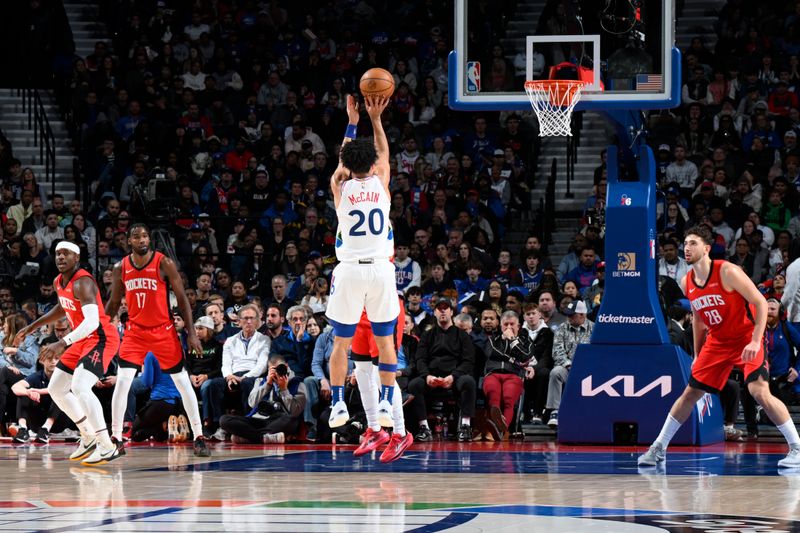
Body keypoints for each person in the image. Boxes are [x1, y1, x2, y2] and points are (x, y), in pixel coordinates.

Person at [639, 226, 800, 468]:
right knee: (690, 394)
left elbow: (760, 303)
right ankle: (658, 447)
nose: (687, 247)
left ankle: (796, 447)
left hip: (746, 336)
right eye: (686, 243)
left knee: (759, 391)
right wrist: (697, 353)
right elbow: (700, 319)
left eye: (693, 243)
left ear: (706, 248)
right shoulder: (687, 281)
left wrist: (756, 341)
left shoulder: (727, 271)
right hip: (718, 342)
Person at [326, 95, 400, 432]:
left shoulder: (339, 185)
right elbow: (383, 152)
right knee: (386, 342)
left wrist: (352, 120)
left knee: (340, 343)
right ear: (372, 164)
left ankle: (338, 401)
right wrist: (376, 118)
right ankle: (386, 400)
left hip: (350, 269)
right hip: (381, 269)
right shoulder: (381, 180)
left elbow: (344, 160)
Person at [105, 223, 210, 457]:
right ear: (128, 241)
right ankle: (115, 438)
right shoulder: (120, 267)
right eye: (136, 237)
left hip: (163, 331)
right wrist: (100, 327)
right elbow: (113, 303)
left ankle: (199, 436)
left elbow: (182, 299)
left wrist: (191, 333)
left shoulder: (164, 263)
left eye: (145, 236)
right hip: (135, 331)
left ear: (149, 240)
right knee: (122, 383)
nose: (141, 240)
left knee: (182, 381)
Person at [14, 241, 121, 466]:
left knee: (81, 387)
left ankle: (107, 445)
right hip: (82, 339)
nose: (60, 257)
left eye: (66, 254)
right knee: (56, 388)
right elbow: (62, 308)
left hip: (101, 338)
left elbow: (92, 322)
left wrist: (61, 343)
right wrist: (31, 327)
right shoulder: (58, 281)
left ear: (77, 258)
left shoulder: (83, 282)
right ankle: (89, 436)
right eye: (57, 254)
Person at [350, 295, 413, 463]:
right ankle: (375, 430)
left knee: (382, 374)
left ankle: (401, 433)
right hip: (359, 308)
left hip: (384, 306)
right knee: (361, 372)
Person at [482, 310, 535, 440]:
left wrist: (512, 340)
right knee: (493, 394)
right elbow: (492, 353)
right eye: (506, 324)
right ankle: (500, 428)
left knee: (508, 398)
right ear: (500, 326)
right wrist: (513, 359)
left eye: (512, 324)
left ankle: (500, 429)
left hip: (514, 375)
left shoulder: (526, 341)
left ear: (519, 326)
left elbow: (525, 355)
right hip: (493, 373)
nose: (509, 327)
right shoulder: (493, 339)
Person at [10, 351, 74, 444]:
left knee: (59, 393)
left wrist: (37, 391)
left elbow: (55, 390)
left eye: (56, 359)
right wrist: (28, 392)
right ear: (42, 360)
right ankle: (23, 430)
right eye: (49, 358)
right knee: (23, 392)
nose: (53, 362)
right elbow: (15, 387)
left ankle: (45, 429)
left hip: (60, 422)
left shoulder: (65, 375)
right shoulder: (37, 376)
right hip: (37, 423)